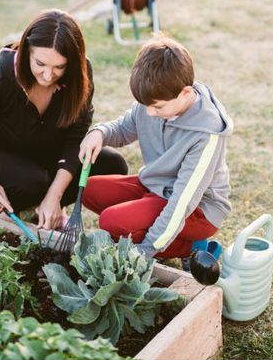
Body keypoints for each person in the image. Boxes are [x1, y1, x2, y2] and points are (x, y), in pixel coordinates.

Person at [0, 9, 128, 230]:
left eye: (59, 67)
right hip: (6, 158)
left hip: (50, 154)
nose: (48, 75)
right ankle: (17, 202)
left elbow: (75, 139)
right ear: (26, 52)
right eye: (40, 64)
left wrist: (55, 196)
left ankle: (49, 206)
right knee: (32, 182)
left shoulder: (80, 75)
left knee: (112, 164)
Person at [79, 35, 233, 259]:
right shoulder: (155, 100)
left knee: (111, 221)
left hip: (198, 209)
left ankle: (192, 247)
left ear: (186, 94)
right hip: (155, 187)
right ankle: (153, 226)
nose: (150, 113)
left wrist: (144, 250)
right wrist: (99, 132)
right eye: (146, 105)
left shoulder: (206, 135)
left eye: (157, 107)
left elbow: (182, 203)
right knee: (89, 190)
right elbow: (124, 128)